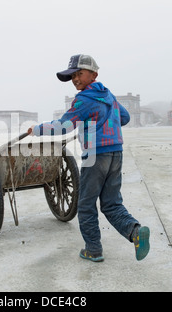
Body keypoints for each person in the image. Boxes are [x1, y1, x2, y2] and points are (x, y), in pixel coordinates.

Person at [29, 54, 150, 262]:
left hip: (96, 155)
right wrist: (102, 125)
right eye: (73, 75)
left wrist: (37, 129)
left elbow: (63, 126)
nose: (75, 79)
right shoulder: (108, 95)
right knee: (111, 203)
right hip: (116, 152)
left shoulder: (84, 99)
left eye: (79, 74)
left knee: (85, 205)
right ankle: (135, 232)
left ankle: (93, 249)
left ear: (93, 74)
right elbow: (125, 117)